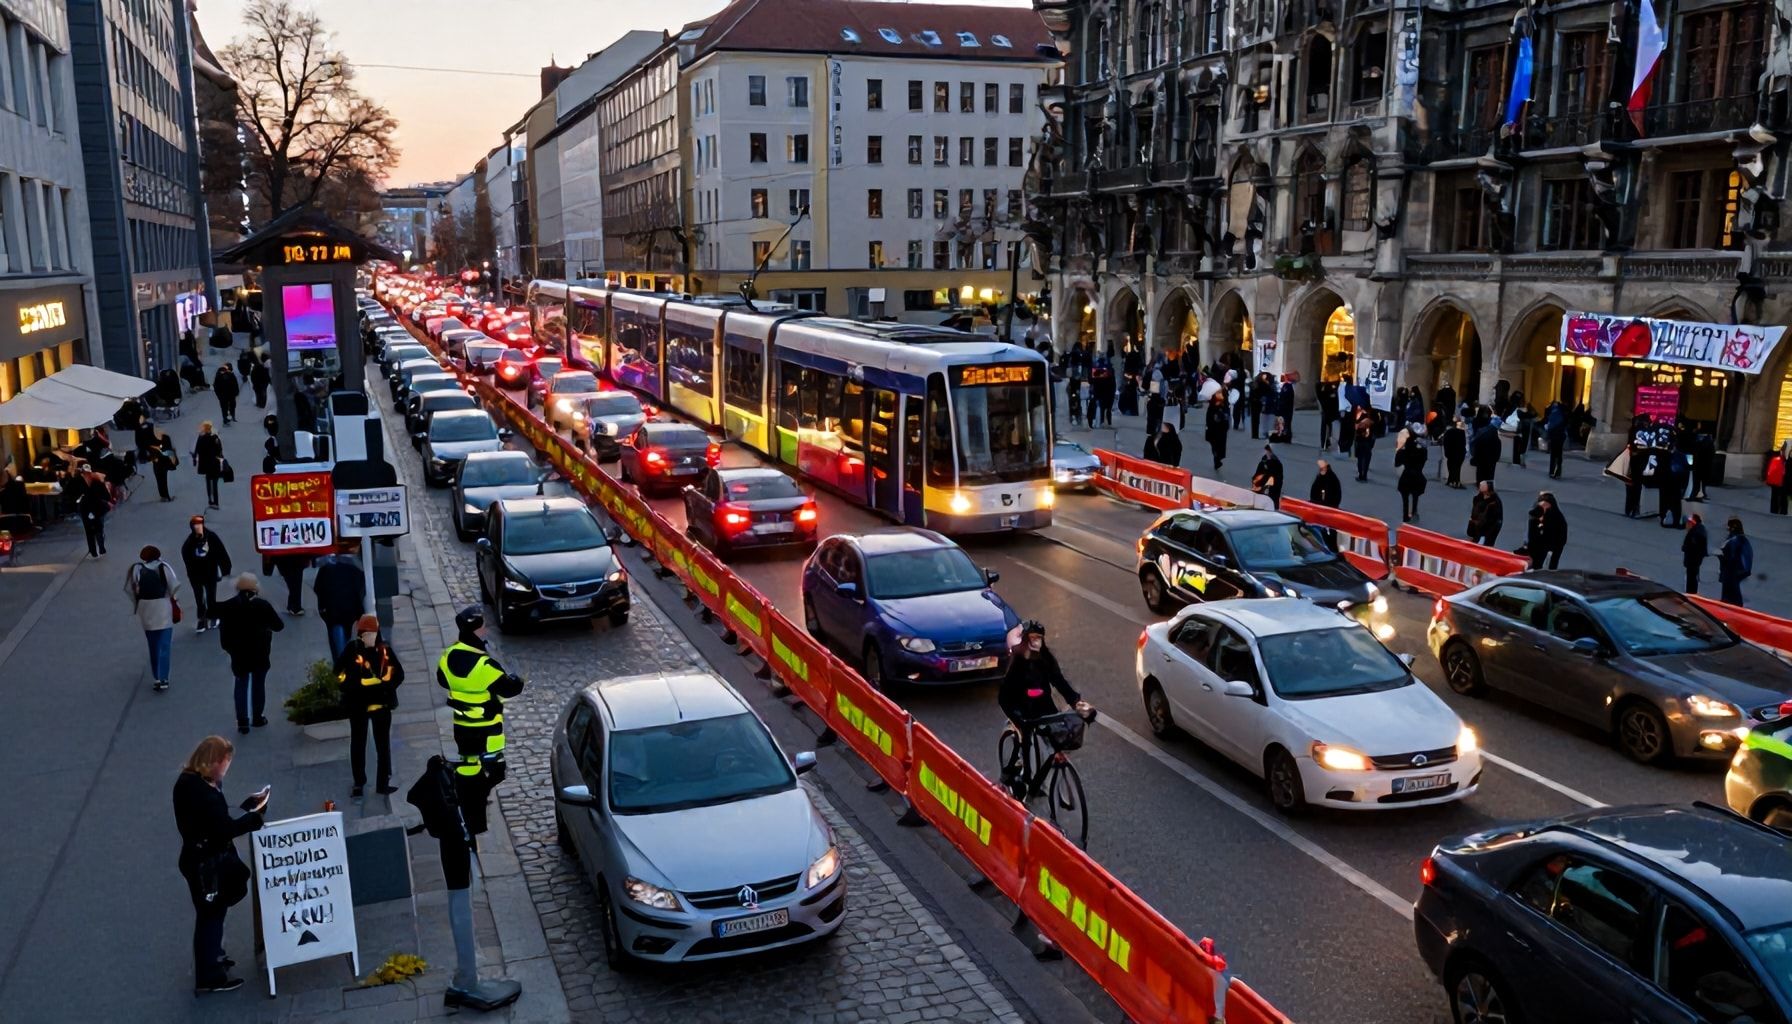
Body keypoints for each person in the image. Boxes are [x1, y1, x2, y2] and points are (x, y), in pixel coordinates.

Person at [427, 606, 526, 1011]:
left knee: (469, 780)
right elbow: (510, 688)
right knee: (478, 795)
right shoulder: (484, 663)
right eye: (482, 623)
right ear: (476, 628)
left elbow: (439, 680)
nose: (486, 626)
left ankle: (471, 828)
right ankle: (468, 980)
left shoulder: (449, 657)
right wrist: (514, 677)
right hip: (487, 740)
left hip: (463, 737)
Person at [173, 735, 266, 995]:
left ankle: (214, 956)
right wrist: (252, 819)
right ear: (213, 762)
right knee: (211, 916)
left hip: (195, 858)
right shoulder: (205, 792)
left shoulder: (188, 781)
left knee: (210, 914)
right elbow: (222, 829)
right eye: (225, 763)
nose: (226, 768)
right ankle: (210, 976)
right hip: (208, 865)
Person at [997, 620, 1088, 791]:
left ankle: (1040, 775)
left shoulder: (1045, 659)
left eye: (1039, 638)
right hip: (1015, 703)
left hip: (1041, 702)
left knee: (1057, 731)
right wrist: (1018, 715)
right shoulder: (1017, 659)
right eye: (1032, 638)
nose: (1036, 641)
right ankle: (1018, 775)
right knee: (1025, 734)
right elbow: (1007, 692)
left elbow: (1059, 682)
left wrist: (1076, 702)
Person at [336, 613, 404, 797]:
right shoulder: (352, 650)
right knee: (358, 743)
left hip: (380, 705)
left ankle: (382, 783)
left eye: (372, 633)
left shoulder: (385, 651)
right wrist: (353, 685)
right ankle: (359, 782)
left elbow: (398, 674)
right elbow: (338, 673)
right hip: (358, 705)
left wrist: (385, 686)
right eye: (366, 634)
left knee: (382, 745)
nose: (370, 637)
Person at [215, 573, 283, 734]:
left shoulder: (228, 606)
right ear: (255, 588)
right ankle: (258, 717)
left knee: (241, 683)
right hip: (260, 650)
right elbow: (278, 625)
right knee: (259, 683)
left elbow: (223, 632)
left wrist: (228, 648)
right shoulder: (262, 604)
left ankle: (242, 721)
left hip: (238, 652)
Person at [126, 545, 181, 692]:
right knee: (164, 645)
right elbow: (174, 586)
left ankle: (156, 676)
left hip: (146, 611)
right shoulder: (164, 567)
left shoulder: (137, 569)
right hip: (163, 608)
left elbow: (130, 589)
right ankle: (164, 678)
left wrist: (138, 603)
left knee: (153, 644)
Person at [180, 515, 232, 632]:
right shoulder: (190, 542)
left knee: (210, 596)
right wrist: (190, 571)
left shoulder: (211, 537)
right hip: (196, 575)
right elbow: (186, 556)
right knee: (199, 597)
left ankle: (212, 616)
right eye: (195, 525)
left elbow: (221, 552)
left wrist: (225, 568)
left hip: (209, 573)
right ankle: (202, 619)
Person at [312, 549, 367, 661]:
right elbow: (361, 591)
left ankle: (340, 661)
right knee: (346, 632)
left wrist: (322, 606)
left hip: (331, 609)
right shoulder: (355, 571)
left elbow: (317, 588)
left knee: (335, 636)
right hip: (349, 609)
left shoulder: (326, 569)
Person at [1525, 492, 1568, 570]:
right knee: (1533, 562)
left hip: (1554, 542)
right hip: (1539, 542)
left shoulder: (1558, 520)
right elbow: (1531, 537)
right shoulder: (1535, 514)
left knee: (1550, 566)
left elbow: (1560, 541)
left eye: (1546, 507)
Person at [1718, 517, 1753, 606]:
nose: (1727, 529)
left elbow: (1730, 556)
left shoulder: (1735, 540)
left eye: (1728, 527)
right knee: (1734, 595)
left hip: (1731, 572)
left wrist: (1721, 556)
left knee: (1730, 598)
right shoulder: (1742, 539)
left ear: (1733, 528)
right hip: (1736, 572)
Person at [77, 468, 111, 558]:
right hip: (88, 510)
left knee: (97, 530)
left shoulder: (96, 483)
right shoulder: (81, 484)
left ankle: (99, 549)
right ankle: (94, 551)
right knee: (92, 531)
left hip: (96, 509)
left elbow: (106, 496)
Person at [1395, 432, 1428, 523]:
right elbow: (1424, 459)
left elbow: (1397, 463)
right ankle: (1413, 511)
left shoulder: (1402, 451)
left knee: (1405, 498)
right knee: (1415, 495)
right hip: (1417, 475)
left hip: (1406, 475)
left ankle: (1405, 516)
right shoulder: (1422, 451)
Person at [192, 421, 224, 509]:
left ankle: (210, 500)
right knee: (214, 484)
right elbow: (220, 450)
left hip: (205, 465)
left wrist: (194, 459)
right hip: (214, 464)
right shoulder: (215, 438)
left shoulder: (201, 438)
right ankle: (216, 502)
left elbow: (196, 450)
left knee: (208, 482)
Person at [1467, 481, 1504, 547]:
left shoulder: (1494, 504)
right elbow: (1474, 515)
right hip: (1481, 525)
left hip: (1488, 528)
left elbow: (1492, 523)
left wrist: (1485, 535)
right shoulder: (1478, 499)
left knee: (1485, 545)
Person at [1469, 414, 1501, 484]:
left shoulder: (1482, 430)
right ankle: (1486, 484)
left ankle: (1480, 483)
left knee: (1480, 470)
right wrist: (1497, 457)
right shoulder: (1494, 434)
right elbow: (1497, 446)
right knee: (1489, 471)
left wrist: (1474, 453)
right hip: (1490, 456)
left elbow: (1475, 441)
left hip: (1480, 454)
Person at [1682, 514, 1708, 594]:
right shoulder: (1699, 530)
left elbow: (1692, 547)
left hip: (1693, 560)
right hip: (1695, 560)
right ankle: (1692, 593)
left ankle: (1691, 594)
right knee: (1692, 578)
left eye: (1688, 523)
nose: (1686, 526)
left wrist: (1685, 547)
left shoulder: (1695, 533)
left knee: (1691, 578)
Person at [1205, 392, 1229, 471]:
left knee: (1218, 444)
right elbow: (1209, 417)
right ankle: (1217, 458)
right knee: (1215, 443)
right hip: (1214, 428)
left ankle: (1217, 458)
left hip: (1221, 428)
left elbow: (1226, 414)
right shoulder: (1212, 405)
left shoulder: (1223, 404)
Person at [150, 432, 178, 501]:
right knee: (162, 479)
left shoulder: (153, 438)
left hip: (158, 462)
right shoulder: (165, 438)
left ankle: (164, 496)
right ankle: (165, 497)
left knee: (160, 479)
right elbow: (170, 450)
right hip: (162, 462)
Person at [1543, 401, 1568, 478]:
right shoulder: (1563, 409)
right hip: (1561, 433)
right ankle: (1558, 472)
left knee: (1553, 454)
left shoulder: (1549, 408)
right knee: (1559, 453)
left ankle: (1551, 472)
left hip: (1553, 433)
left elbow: (1546, 420)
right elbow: (1566, 421)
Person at [1351, 405, 1375, 481]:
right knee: (1367, 454)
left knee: (1361, 456)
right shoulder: (1373, 408)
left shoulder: (1358, 409)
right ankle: (1364, 474)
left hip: (1361, 436)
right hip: (1370, 436)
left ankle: (1362, 474)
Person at [1441, 418, 1467, 488]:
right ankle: (1456, 482)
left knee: (1451, 466)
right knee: (1457, 467)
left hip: (1450, 453)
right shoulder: (1461, 432)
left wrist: (1446, 452)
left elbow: (1445, 442)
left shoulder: (1448, 432)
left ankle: (1451, 480)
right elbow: (1463, 443)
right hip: (1459, 452)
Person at [1090, 356, 1115, 427]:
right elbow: (1112, 382)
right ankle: (1109, 422)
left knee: (1101, 407)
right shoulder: (1110, 370)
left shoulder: (1096, 370)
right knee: (1108, 408)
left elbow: (1092, 381)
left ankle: (1100, 421)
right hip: (1108, 390)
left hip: (1099, 390)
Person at [1769, 439, 1790, 515]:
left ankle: (1777, 511)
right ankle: (1777, 511)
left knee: (1780, 497)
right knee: (1779, 497)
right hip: (1779, 481)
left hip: (1781, 481)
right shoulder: (1778, 459)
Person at [1317, 379, 1339, 449]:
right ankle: (1325, 442)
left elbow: (1317, 387)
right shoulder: (1332, 392)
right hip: (1329, 411)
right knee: (1327, 427)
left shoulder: (1323, 393)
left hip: (1328, 411)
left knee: (1327, 428)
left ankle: (1326, 442)